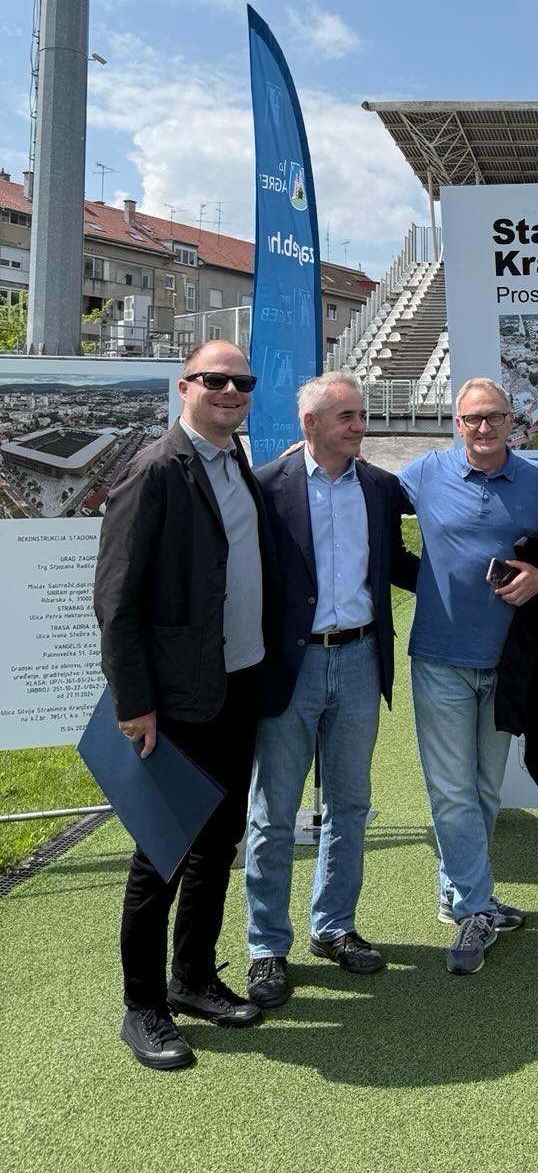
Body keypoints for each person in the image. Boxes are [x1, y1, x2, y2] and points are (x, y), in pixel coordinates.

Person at [95, 340, 275, 1070]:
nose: (231, 390)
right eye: (215, 379)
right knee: (160, 855)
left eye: (242, 381)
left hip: (237, 686)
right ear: (185, 387)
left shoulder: (236, 462)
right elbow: (116, 600)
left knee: (217, 844)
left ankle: (193, 978)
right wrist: (134, 704)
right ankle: (143, 1007)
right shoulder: (154, 471)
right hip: (174, 700)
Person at [242, 372, 420, 1009]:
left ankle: (334, 926)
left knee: (349, 804)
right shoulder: (265, 487)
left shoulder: (379, 487)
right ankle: (266, 946)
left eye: (361, 415)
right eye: (346, 416)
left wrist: (470, 583)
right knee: (273, 813)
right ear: (310, 424)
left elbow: (397, 563)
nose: (359, 426)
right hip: (290, 669)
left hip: (360, 660)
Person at [400, 377, 538, 975]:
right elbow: (363, 497)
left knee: (487, 787)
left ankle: (459, 893)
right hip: (440, 656)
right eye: (472, 419)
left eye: (494, 416)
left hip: (509, 659)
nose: (483, 427)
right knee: (451, 790)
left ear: (511, 420)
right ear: (457, 423)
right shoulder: (424, 473)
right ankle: (473, 907)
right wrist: (304, 452)